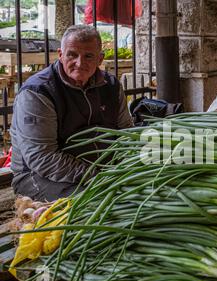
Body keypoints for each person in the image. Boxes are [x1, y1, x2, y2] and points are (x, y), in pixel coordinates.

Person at [10, 25, 133, 202]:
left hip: (100, 170)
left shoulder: (111, 85)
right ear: (60, 54)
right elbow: (41, 157)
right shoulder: (38, 92)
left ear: (100, 59)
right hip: (38, 175)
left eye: (88, 56)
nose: (79, 63)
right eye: (72, 55)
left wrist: (129, 168)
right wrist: (97, 177)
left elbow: (126, 132)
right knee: (105, 201)